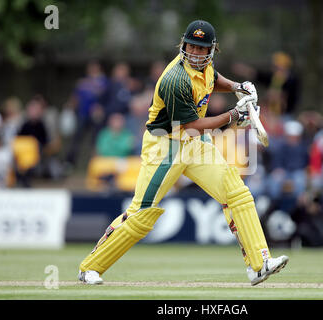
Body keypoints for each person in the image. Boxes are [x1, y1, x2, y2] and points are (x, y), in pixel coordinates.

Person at [78, 20, 289, 286]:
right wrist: (234, 115)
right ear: (184, 45)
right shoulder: (175, 79)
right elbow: (190, 124)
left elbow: (213, 80)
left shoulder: (205, 65)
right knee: (142, 214)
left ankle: (259, 265)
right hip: (166, 145)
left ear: (212, 50)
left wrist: (238, 87)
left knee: (236, 193)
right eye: (192, 47)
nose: (197, 54)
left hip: (194, 143)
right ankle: (89, 268)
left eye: (203, 49)